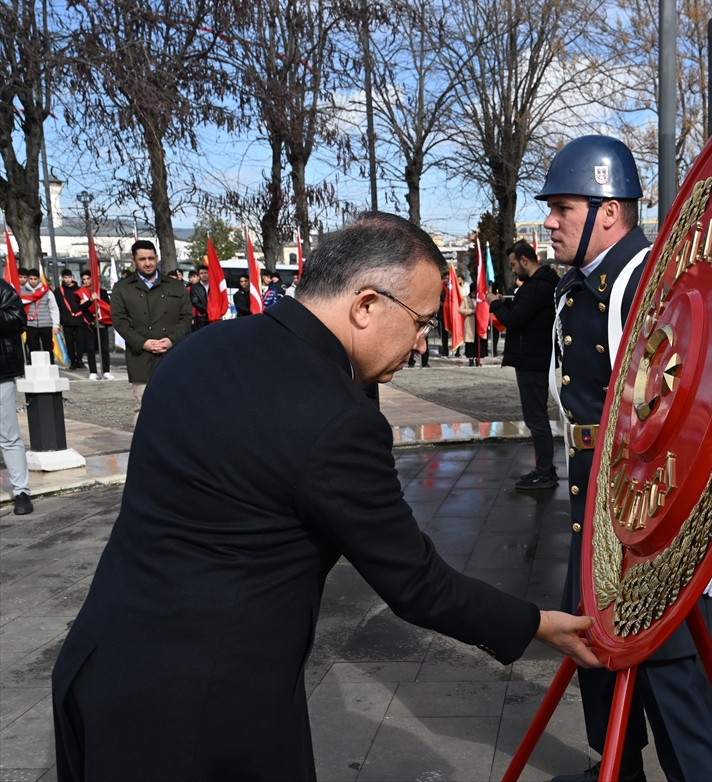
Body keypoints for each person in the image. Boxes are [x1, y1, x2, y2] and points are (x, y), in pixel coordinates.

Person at [50, 212, 600, 781]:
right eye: (421, 323)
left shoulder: (200, 349)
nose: (420, 344)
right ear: (365, 305)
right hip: (205, 714)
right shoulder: (335, 418)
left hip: (98, 668)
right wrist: (536, 623)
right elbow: (416, 583)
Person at [540, 136, 712, 782]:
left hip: (647, 505)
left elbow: (693, 413)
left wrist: (699, 534)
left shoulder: (651, 280)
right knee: (595, 649)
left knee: (667, 667)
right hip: (591, 495)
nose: (550, 220)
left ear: (608, 211)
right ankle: (618, 770)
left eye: (563, 207)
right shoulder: (578, 285)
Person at [485, 239, 559, 489]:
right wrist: (504, 302)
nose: (513, 270)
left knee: (535, 418)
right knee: (536, 417)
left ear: (525, 261)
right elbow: (524, 313)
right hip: (536, 358)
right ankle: (545, 469)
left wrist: (494, 304)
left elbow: (514, 320)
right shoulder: (541, 285)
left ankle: (545, 472)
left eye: (514, 264)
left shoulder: (536, 287)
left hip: (531, 361)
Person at [109, 240, 192, 413]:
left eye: (151, 258)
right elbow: (119, 321)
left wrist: (171, 340)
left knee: (176, 407)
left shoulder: (176, 286)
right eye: (142, 259)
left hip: (172, 355)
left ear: (157, 258)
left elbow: (186, 318)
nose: (148, 263)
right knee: (144, 408)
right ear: (133, 260)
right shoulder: (122, 288)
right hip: (141, 358)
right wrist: (142, 343)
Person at [1, 260, 33, 515]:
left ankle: (21, 490)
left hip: (1, 372)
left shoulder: (3, 289)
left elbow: (17, 319)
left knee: (9, 435)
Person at [79, 271, 114, 380]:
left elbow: (106, 306)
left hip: (101, 322)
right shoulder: (80, 293)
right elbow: (81, 308)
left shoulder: (102, 292)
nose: (86, 281)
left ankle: (106, 371)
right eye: (83, 279)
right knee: (90, 349)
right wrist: (90, 300)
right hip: (89, 323)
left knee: (104, 348)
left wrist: (97, 301)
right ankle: (93, 371)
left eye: (88, 278)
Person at [21, 267, 59, 359]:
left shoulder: (46, 291)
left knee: (48, 348)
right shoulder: (22, 291)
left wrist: (55, 325)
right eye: (30, 279)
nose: (33, 281)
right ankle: (34, 367)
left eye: (35, 279)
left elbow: (54, 308)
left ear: (39, 279)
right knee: (33, 348)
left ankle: (50, 365)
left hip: (46, 323)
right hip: (30, 324)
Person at [54, 270, 88, 370]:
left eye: (69, 277)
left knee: (80, 342)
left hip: (79, 318)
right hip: (66, 320)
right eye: (65, 277)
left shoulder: (79, 289)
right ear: (62, 278)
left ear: (72, 277)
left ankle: (79, 360)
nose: (67, 280)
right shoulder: (58, 291)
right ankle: (72, 361)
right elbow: (56, 305)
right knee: (69, 342)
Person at [190, 265, 210, 331]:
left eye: (205, 273)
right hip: (202, 317)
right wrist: (207, 310)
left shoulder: (214, 286)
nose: (203, 275)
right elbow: (195, 301)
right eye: (201, 273)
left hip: (215, 316)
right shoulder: (194, 287)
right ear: (199, 275)